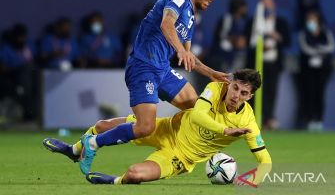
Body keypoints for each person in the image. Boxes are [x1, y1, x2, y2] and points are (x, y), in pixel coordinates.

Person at [77, 0, 229, 174]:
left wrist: (210, 73)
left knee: (195, 106)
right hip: (143, 66)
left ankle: (191, 149)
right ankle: (93, 142)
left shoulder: (191, 17)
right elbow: (166, 24)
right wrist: (180, 50)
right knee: (145, 127)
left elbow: (188, 57)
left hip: (162, 68)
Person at [43, 69, 272, 186]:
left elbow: (266, 163)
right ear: (229, 84)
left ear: (249, 97)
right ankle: (75, 151)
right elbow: (199, 115)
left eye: (243, 93)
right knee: (102, 125)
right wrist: (224, 131)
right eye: (235, 88)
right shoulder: (215, 88)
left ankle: (113, 181)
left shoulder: (247, 123)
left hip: (180, 158)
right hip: (165, 128)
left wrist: (250, 181)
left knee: (134, 173)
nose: (235, 95)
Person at [245, 0, 291, 130]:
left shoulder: (281, 22)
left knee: (271, 92)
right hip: (255, 64)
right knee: (252, 92)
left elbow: (288, 41)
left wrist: (277, 37)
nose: (267, 8)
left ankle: (268, 119)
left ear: (274, 6)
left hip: (273, 64)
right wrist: (259, 47)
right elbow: (247, 42)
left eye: (269, 5)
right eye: (264, 5)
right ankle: (250, 120)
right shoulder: (253, 22)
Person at [298, 10, 335, 131]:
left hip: (323, 69)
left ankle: (319, 120)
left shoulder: (325, 32)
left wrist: (319, 50)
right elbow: (305, 48)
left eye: (313, 19)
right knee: (309, 94)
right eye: (309, 19)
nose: (310, 22)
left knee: (320, 94)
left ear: (318, 20)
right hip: (308, 70)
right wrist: (317, 51)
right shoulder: (303, 34)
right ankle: (309, 120)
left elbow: (331, 47)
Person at [208, 0, 248, 72]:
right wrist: (235, 39)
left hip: (234, 55)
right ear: (238, 8)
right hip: (221, 54)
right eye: (244, 7)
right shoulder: (227, 18)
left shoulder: (243, 21)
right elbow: (221, 34)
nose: (245, 9)